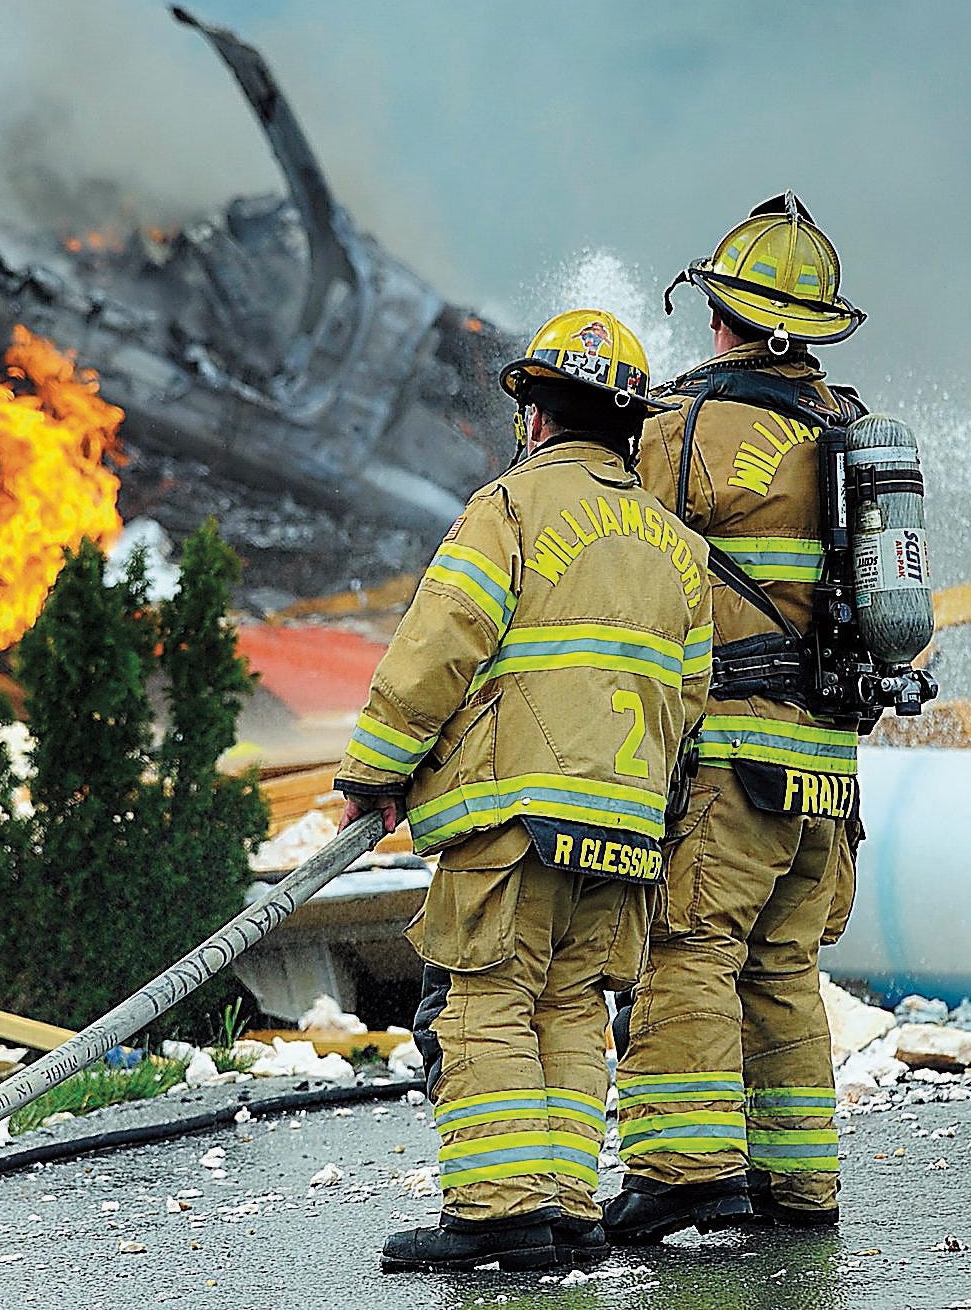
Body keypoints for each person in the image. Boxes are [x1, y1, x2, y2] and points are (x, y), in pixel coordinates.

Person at [335, 309, 712, 1272]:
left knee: (488, 1001)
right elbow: (693, 700)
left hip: (514, 820)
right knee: (575, 1005)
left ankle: (500, 1212)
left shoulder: (505, 511)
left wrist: (377, 770)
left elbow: (437, 648)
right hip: (626, 832)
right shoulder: (681, 550)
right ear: (631, 428)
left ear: (535, 417)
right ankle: (567, 1208)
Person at [604, 192, 868, 1242]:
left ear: (722, 316)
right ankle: (800, 1185)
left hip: (733, 756)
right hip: (827, 771)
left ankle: (682, 1170)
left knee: (690, 943)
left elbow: (610, 531)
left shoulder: (691, 429)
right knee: (784, 965)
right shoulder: (847, 434)